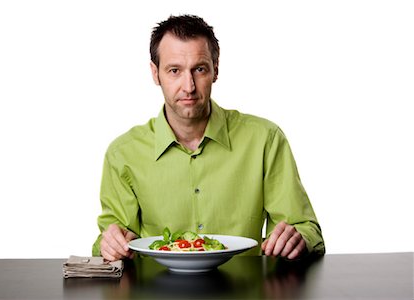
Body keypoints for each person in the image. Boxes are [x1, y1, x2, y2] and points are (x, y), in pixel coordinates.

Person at [92, 14, 325, 261]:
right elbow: (108, 240)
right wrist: (110, 245)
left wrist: (298, 238)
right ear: (155, 73)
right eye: (174, 70)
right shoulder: (123, 154)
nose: (189, 86)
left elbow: (308, 230)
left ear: (215, 69)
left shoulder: (265, 140)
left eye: (199, 69)